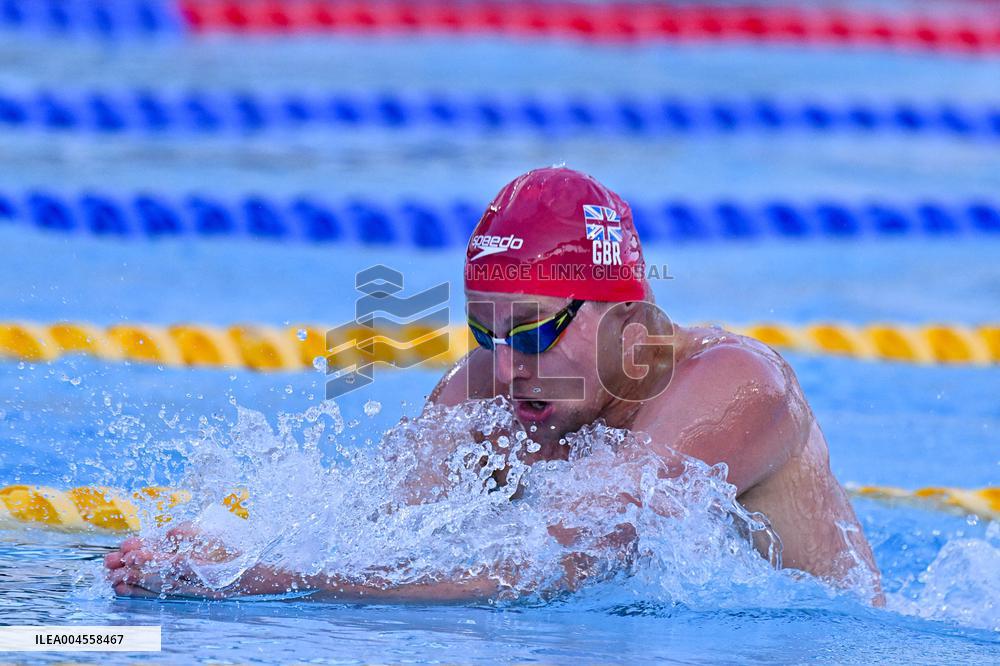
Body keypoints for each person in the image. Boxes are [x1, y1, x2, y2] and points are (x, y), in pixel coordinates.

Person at [106, 167, 883, 603]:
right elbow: (373, 534)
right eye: (485, 332)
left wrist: (254, 580)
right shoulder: (483, 392)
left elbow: (533, 570)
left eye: (535, 330)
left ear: (626, 313)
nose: (507, 366)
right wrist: (221, 549)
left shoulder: (735, 389)